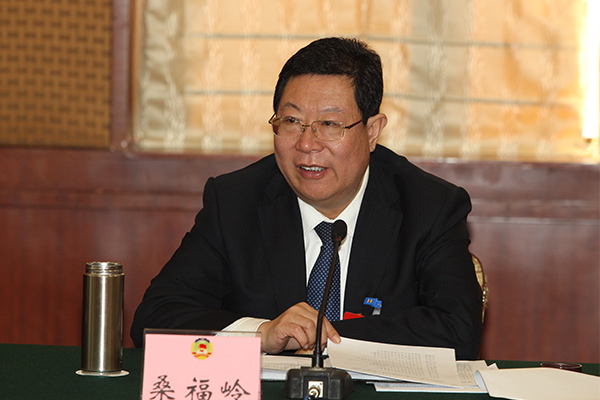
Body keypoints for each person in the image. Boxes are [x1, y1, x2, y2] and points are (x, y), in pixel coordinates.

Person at [131, 37, 483, 360]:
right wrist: (261, 333)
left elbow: (458, 331)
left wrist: (322, 338)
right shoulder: (235, 201)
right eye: (291, 121)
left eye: (329, 124)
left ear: (372, 131)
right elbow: (156, 317)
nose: (306, 144)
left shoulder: (429, 206)